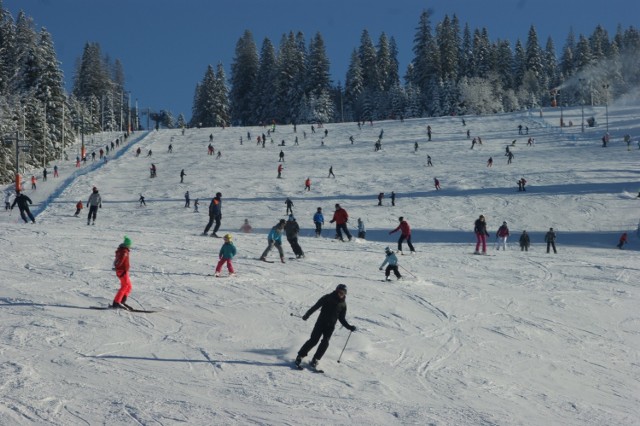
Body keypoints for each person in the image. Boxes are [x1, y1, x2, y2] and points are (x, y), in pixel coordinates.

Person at [295, 284, 356, 370]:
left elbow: (341, 318)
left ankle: (315, 359)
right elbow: (316, 306)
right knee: (314, 340)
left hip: (330, 326)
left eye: (343, 293)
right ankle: (300, 356)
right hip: (320, 323)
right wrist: (307, 314)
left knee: (325, 342)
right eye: (340, 292)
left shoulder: (343, 304)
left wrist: (349, 327)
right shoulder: (327, 297)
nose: (341, 294)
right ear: (337, 291)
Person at [112, 236, 133, 309]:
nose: (130, 246)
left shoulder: (123, 250)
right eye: (130, 245)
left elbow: (117, 260)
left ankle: (122, 301)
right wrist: (118, 267)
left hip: (123, 271)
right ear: (127, 244)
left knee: (129, 286)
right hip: (122, 271)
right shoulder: (124, 251)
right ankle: (117, 302)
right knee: (125, 286)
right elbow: (120, 261)